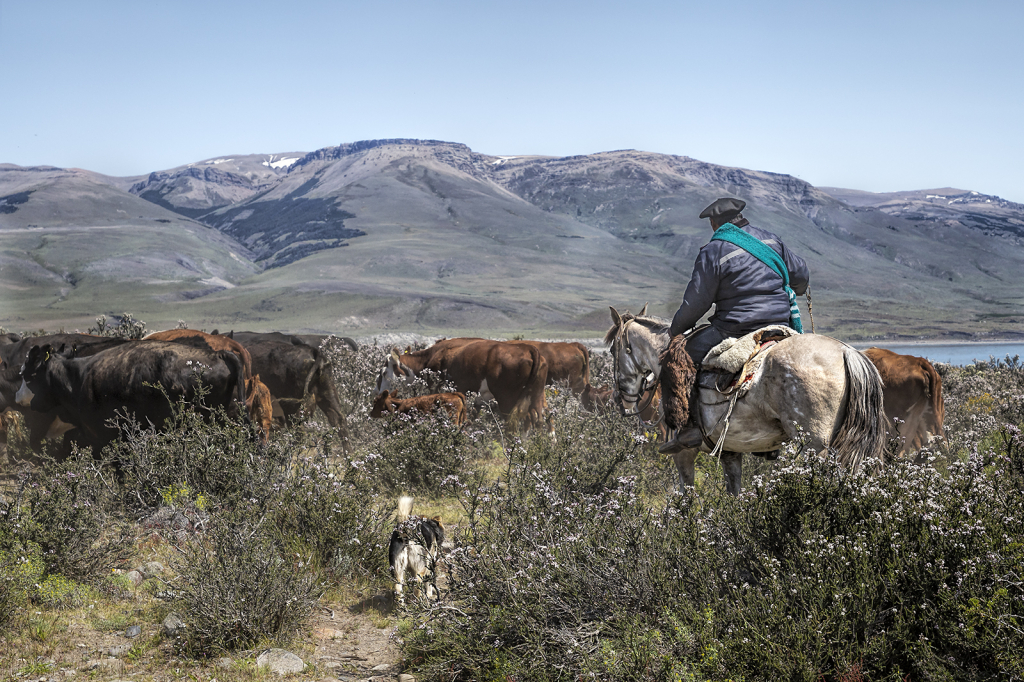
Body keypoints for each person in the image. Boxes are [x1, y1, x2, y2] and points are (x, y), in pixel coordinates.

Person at [659, 197, 810, 454]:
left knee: (677, 360)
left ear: (714, 222)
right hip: (780, 324)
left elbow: (697, 302)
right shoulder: (772, 240)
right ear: (741, 217)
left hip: (736, 328)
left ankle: (689, 430)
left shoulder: (714, 249)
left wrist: (675, 332)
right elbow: (801, 276)